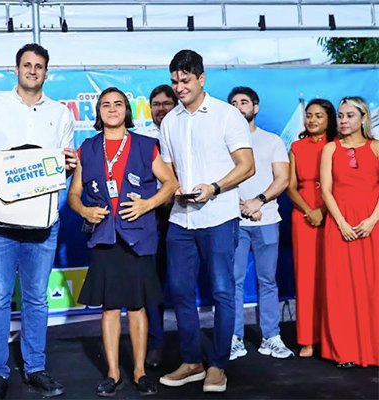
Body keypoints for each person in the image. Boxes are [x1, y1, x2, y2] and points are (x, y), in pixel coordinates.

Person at [0, 43, 77, 400]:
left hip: (42, 221)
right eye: (27, 64)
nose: (32, 70)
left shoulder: (60, 114)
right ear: (16, 69)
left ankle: (35, 368)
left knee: (37, 298)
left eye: (39, 66)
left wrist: (69, 164)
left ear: (46, 72)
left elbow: (64, 166)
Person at [67, 87, 178, 397]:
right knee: (110, 307)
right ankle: (113, 373)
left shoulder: (145, 145)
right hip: (104, 237)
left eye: (118, 104)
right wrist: (84, 210)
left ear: (127, 110)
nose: (112, 109)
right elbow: (74, 194)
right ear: (98, 112)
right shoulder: (88, 148)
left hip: (139, 236)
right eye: (106, 105)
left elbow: (171, 183)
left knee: (138, 306)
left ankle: (140, 371)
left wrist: (147, 204)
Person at [158, 50, 254, 393]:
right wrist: (172, 188)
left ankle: (217, 365)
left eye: (185, 80)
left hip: (219, 217)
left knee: (222, 291)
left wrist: (214, 188)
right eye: (174, 81)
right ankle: (191, 361)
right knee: (180, 291)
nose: (179, 87)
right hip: (180, 220)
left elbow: (247, 166)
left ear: (201, 78)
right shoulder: (169, 121)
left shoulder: (227, 115)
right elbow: (168, 170)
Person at [227, 87, 293, 361]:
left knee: (267, 280)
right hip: (234, 220)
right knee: (233, 281)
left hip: (267, 219)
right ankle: (233, 337)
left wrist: (258, 201)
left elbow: (282, 178)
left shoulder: (272, 140)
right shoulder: (223, 142)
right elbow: (220, 179)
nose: (239, 106)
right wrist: (242, 206)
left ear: (255, 107)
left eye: (244, 102)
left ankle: (271, 337)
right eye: (233, 103)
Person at [319, 96, 379, 368]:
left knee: (373, 286)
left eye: (350, 115)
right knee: (341, 288)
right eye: (340, 116)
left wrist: (372, 220)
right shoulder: (330, 149)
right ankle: (344, 350)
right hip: (339, 225)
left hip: (372, 225)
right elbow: (326, 190)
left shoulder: (376, 147)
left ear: (364, 118)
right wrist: (341, 223)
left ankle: (373, 348)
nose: (343, 121)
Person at [285, 99, 337, 358]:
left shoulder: (337, 145)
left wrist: (323, 211)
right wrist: (309, 210)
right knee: (306, 278)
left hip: (335, 213)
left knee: (334, 278)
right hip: (304, 216)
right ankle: (307, 338)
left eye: (319, 115)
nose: (312, 120)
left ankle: (333, 338)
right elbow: (290, 186)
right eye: (309, 115)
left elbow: (342, 184)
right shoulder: (296, 147)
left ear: (329, 119)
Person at [140, 84, 178, 368]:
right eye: (156, 104)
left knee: (182, 284)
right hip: (153, 219)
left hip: (187, 216)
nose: (161, 109)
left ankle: (192, 347)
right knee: (152, 285)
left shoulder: (184, 134)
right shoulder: (143, 141)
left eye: (167, 103)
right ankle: (156, 343)